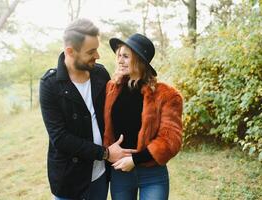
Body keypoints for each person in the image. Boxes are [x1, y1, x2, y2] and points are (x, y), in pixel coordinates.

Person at [39, 18, 137, 200]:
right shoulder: (50, 85)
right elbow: (60, 138)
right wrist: (105, 153)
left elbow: (117, 112)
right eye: (91, 51)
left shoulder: (100, 74)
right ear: (70, 51)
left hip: (100, 176)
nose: (98, 55)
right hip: (69, 180)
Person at [103, 33, 183, 200]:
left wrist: (135, 159)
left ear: (139, 60)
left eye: (126, 56)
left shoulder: (167, 95)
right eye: (119, 56)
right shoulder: (111, 89)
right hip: (120, 172)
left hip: (152, 174)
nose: (119, 60)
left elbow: (171, 139)